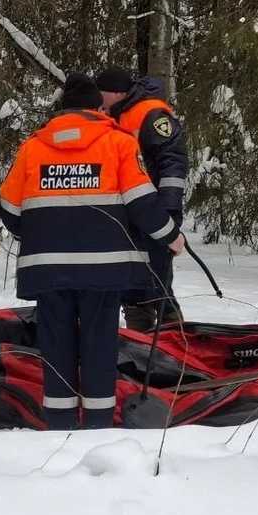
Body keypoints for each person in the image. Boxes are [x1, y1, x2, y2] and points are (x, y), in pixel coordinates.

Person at [0, 72, 185, 430]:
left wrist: (42, 235)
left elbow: (9, 210)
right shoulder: (117, 142)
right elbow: (142, 202)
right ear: (97, 109)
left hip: (48, 269)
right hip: (104, 269)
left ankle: (60, 423)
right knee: (99, 344)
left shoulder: (32, 148)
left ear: (61, 111)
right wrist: (170, 236)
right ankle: (97, 423)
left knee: (56, 344)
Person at [95, 65, 189, 331]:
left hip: (153, 210)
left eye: (102, 93)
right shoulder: (109, 116)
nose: (98, 99)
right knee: (131, 283)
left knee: (158, 281)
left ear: (116, 93)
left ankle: (175, 337)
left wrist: (168, 210)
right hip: (123, 212)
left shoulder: (151, 114)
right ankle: (138, 337)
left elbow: (173, 163)